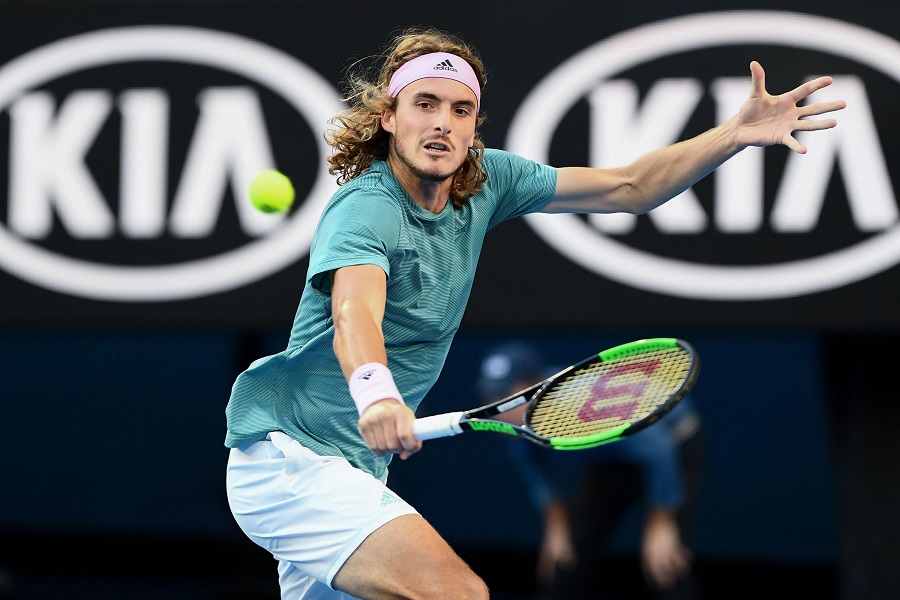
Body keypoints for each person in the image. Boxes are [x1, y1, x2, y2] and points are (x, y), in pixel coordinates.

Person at [223, 26, 844, 600]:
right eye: (424, 104)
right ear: (388, 116)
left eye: (460, 110)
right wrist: (376, 393)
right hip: (290, 460)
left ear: (474, 125)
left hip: (355, 467)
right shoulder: (366, 207)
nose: (441, 123)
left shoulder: (489, 181)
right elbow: (354, 309)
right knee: (461, 594)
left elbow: (629, 188)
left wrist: (732, 134)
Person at [475, 341, 704, 600]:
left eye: (505, 397)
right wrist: (556, 526)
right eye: (490, 399)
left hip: (671, 446)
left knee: (666, 562)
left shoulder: (579, 401)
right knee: (565, 557)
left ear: (534, 384)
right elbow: (533, 462)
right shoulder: (517, 418)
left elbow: (659, 449)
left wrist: (661, 524)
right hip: (610, 457)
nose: (497, 410)